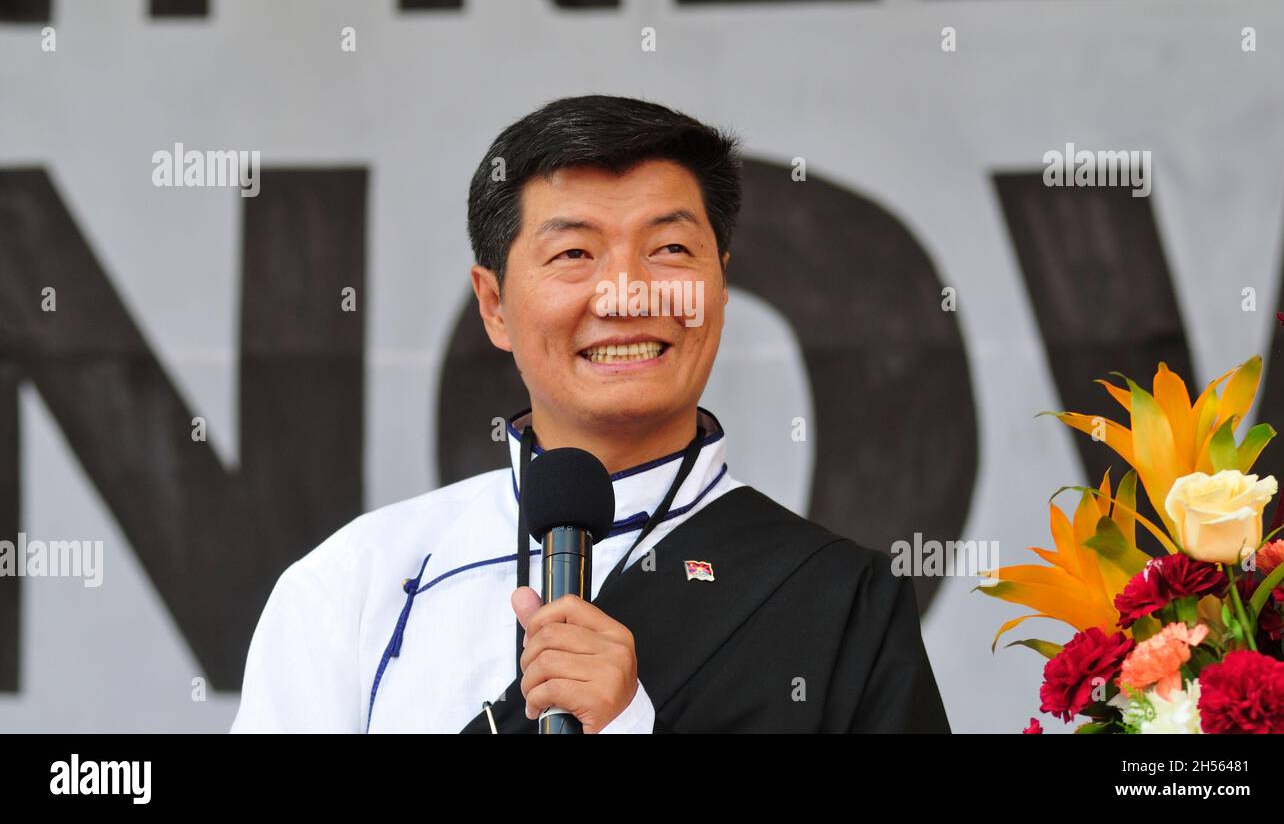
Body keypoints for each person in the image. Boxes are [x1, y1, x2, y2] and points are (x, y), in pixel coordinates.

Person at [230, 94, 950, 733]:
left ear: (721, 286)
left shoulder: (839, 601)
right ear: (494, 304)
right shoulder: (359, 583)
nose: (627, 293)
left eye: (670, 248)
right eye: (574, 252)